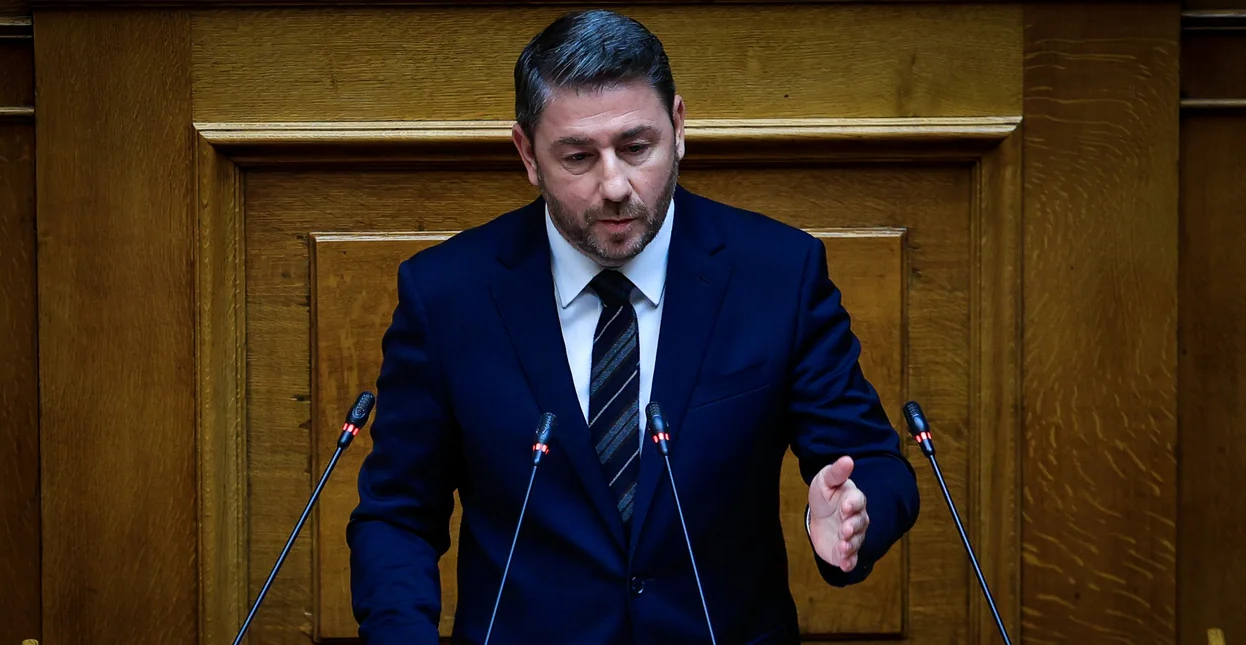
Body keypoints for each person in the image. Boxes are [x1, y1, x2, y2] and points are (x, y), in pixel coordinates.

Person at [346, 9, 919, 645]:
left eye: (636, 148)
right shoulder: (447, 294)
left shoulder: (778, 273)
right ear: (528, 155)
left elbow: (872, 460)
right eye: (578, 157)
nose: (615, 185)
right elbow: (397, 517)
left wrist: (853, 514)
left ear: (678, 127)